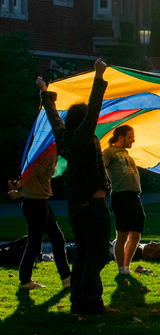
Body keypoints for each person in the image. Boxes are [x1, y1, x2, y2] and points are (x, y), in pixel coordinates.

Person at [39, 59, 115, 314]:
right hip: (94, 206)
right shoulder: (83, 136)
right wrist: (99, 75)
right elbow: (94, 107)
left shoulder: (64, 138)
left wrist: (44, 93)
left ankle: (79, 302)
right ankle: (92, 301)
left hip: (77, 208)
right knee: (99, 253)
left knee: (83, 253)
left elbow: (53, 118)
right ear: (83, 123)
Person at [8, 146, 71, 290]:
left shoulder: (50, 151)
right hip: (36, 204)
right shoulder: (49, 150)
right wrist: (19, 185)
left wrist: (20, 191)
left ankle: (67, 278)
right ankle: (25, 281)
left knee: (56, 239)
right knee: (36, 243)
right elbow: (34, 169)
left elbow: (35, 176)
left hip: (39, 201)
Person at [103, 124, 146, 275]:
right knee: (122, 235)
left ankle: (126, 266)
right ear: (120, 137)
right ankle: (122, 270)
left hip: (134, 196)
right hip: (120, 196)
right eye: (130, 137)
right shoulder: (109, 152)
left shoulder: (126, 153)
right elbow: (101, 169)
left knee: (136, 234)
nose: (133, 140)